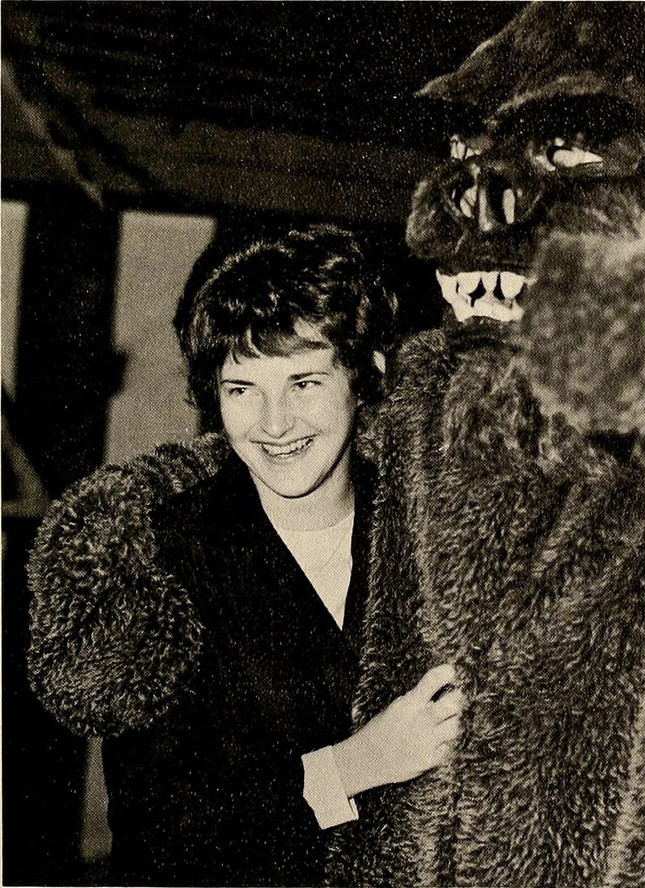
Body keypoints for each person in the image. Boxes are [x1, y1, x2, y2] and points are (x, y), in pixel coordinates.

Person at [27, 223, 464, 887]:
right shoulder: (162, 558)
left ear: (366, 374)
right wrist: (359, 764)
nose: (274, 422)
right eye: (242, 388)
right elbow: (159, 836)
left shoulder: (432, 532)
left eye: (304, 382)